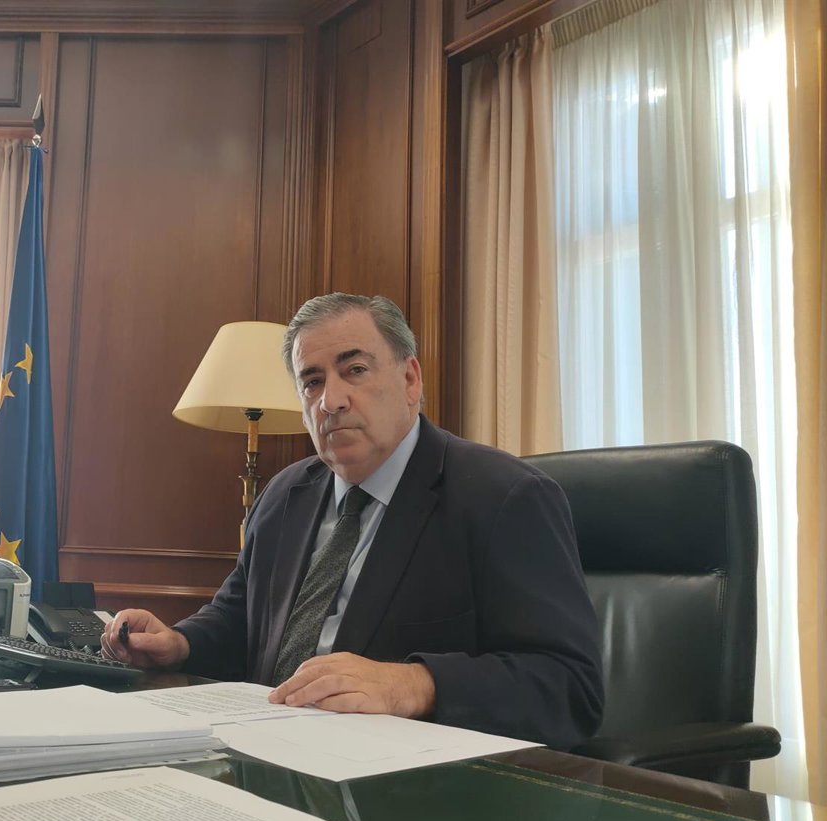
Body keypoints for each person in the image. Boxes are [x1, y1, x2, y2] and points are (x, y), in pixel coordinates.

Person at [102, 292, 603, 748]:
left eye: (355, 370)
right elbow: (239, 620)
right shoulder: (284, 495)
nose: (331, 400)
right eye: (312, 382)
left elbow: (570, 687)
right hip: (263, 751)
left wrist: (415, 684)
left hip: (409, 783)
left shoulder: (505, 497)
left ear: (410, 380)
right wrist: (179, 643)